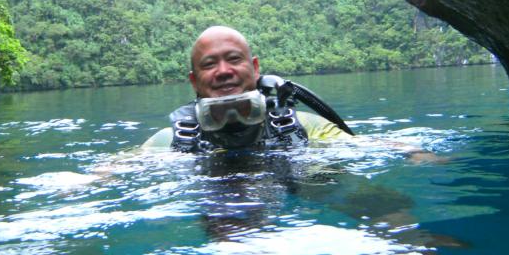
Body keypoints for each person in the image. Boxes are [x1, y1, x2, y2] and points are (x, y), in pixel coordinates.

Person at [141, 25, 357, 153]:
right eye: (209, 64)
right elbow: (115, 166)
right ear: (194, 81)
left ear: (255, 68)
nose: (223, 71)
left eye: (234, 59)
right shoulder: (169, 141)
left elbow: (366, 148)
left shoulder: (306, 128)